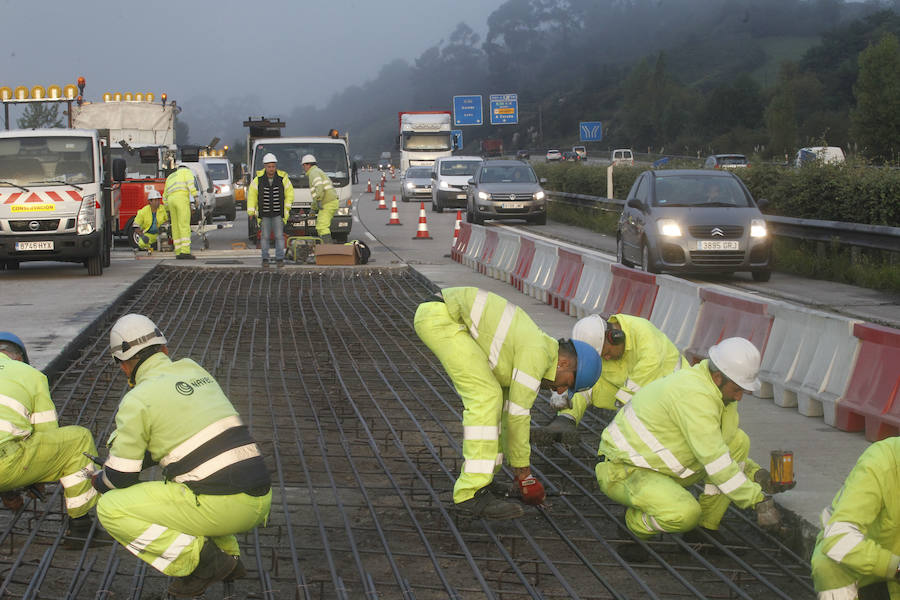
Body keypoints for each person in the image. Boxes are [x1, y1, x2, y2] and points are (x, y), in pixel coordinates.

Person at [93, 314, 272, 598]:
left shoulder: (137, 399)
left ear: (124, 365)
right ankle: (229, 559)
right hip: (259, 497)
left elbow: (121, 477)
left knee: (112, 507)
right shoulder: (194, 370)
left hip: (222, 507)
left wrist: (98, 482)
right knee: (189, 482)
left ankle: (204, 563)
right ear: (164, 349)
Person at [414, 287, 603, 520]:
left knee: (499, 402)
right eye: (568, 383)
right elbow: (519, 415)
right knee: (486, 396)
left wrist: (518, 472)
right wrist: (524, 474)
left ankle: (484, 482)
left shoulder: (535, 350)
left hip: (443, 314)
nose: (561, 390)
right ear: (563, 362)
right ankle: (469, 493)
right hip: (441, 317)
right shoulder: (538, 352)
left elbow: (508, 415)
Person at [595, 337, 780, 560]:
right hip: (625, 469)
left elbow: (720, 446)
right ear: (718, 376)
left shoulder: (719, 393)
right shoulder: (694, 395)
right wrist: (758, 500)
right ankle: (633, 526)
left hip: (659, 466)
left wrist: (755, 473)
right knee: (684, 514)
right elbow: (715, 460)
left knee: (739, 440)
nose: (740, 396)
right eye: (737, 389)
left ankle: (705, 531)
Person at [0, 332, 102, 544]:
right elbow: (46, 434)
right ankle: (81, 528)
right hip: (5, 462)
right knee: (78, 441)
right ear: (19, 358)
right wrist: (33, 479)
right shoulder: (29, 374)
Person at [533, 313, 688, 445]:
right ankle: (565, 421)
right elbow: (582, 374)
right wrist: (564, 394)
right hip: (631, 392)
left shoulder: (646, 337)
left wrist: (615, 431)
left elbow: (634, 392)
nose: (606, 358)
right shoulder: (605, 350)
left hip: (673, 397)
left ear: (615, 337)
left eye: (606, 352)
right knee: (586, 383)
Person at [811, 437, 900, 600]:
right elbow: (838, 538)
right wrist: (895, 567)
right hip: (860, 563)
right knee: (829, 567)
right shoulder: (880, 462)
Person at [247, 153, 293, 268]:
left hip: (278, 214)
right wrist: (251, 212)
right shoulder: (258, 180)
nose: (271, 169)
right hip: (264, 214)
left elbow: (289, 194)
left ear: (275, 166)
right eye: (269, 166)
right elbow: (252, 195)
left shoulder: (283, 178)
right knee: (265, 237)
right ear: (265, 166)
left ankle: (280, 258)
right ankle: (265, 258)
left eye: (273, 166)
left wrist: (286, 210)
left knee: (279, 236)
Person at [163, 164, 198, 259]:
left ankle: (178, 251)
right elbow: (190, 184)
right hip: (181, 199)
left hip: (171, 201)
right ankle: (185, 252)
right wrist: (195, 196)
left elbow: (165, 194)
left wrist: (166, 208)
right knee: (184, 224)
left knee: (175, 226)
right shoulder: (186, 172)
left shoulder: (170, 176)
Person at [301, 154, 338, 244]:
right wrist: (313, 208)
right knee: (320, 225)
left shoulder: (313, 173)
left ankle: (328, 249)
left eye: (303, 165)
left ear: (307, 165)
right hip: (330, 202)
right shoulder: (317, 171)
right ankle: (326, 249)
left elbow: (319, 187)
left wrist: (318, 200)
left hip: (327, 203)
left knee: (322, 226)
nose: (303, 168)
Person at [132, 189, 168, 254]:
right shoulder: (143, 211)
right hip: (149, 234)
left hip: (160, 234)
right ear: (150, 201)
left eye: (158, 200)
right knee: (142, 243)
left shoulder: (162, 209)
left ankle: (159, 246)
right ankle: (151, 248)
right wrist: (142, 236)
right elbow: (135, 225)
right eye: (155, 200)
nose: (158, 202)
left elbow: (167, 221)